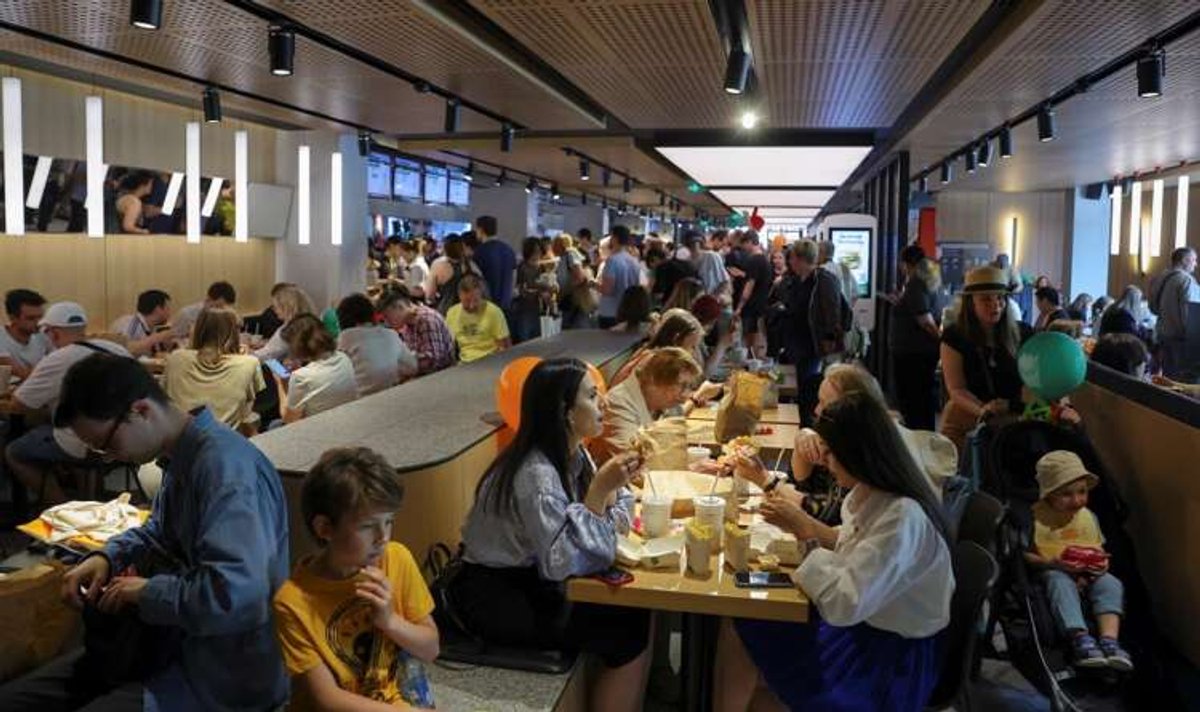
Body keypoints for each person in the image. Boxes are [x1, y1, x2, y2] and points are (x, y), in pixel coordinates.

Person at [0, 353, 290, 710]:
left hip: (218, 674)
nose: (108, 458)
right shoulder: (182, 456)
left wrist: (146, 592)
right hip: (163, 646)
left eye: (107, 445)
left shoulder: (226, 470)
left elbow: (236, 597)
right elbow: (159, 530)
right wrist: (107, 556)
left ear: (141, 410)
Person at [715, 392, 952, 712]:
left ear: (857, 454)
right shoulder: (870, 494)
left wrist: (804, 533)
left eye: (830, 453)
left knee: (747, 634)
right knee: (744, 621)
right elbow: (847, 546)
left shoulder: (902, 517)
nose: (825, 462)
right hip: (867, 625)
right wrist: (800, 526)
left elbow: (844, 603)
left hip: (888, 656)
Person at [454, 359, 651, 711]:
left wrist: (606, 496)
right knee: (627, 630)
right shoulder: (536, 473)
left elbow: (620, 515)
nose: (604, 403)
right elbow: (562, 562)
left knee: (636, 611)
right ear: (565, 412)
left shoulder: (575, 453)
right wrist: (599, 495)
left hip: (533, 579)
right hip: (494, 594)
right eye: (592, 396)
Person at [274, 446, 439, 709]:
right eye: (367, 526)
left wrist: (390, 621)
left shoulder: (396, 558)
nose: (383, 537)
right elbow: (327, 699)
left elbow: (431, 649)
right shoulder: (292, 601)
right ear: (325, 528)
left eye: (389, 521)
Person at [732, 364, 957, 525]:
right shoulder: (859, 436)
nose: (817, 410)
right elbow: (803, 484)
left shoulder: (869, 453)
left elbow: (829, 514)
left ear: (851, 408)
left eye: (824, 403)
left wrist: (766, 481)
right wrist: (802, 441)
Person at [3, 303, 130, 505]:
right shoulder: (118, 350)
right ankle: (91, 499)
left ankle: (64, 507)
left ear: (53, 333)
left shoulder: (58, 359)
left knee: (15, 452)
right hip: (126, 439)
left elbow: (18, 406)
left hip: (84, 443)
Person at [1026, 451, 1132, 671]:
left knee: (1111, 583)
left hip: (1088, 572)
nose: (1077, 500)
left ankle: (1110, 640)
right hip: (1053, 569)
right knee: (1059, 582)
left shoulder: (1088, 517)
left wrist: (1100, 566)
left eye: (1082, 492)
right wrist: (1052, 563)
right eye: (1066, 494)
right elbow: (1024, 555)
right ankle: (1080, 638)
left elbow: (1098, 548)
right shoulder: (1035, 519)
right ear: (1049, 495)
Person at [939, 265, 1032, 450]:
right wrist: (985, 411)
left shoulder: (1024, 333)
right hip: (967, 418)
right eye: (986, 299)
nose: (996, 305)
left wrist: (1011, 407)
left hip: (1015, 418)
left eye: (1000, 298)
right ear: (970, 303)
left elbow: (1034, 385)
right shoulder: (954, 336)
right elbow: (956, 388)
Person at [592, 347, 705, 466]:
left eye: (689, 386)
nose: (686, 396)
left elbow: (675, 441)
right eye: (682, 385)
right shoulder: (618, 404)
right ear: (654, 380)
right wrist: (690, 467)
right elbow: (633, 461)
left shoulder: (664, 402)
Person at [771, 240, 847, 409]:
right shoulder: (795, 279)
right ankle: (791, 414)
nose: (789, 261)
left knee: (807, 386)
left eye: (792, 258)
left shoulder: (824, 280)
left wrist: (829, 338)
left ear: (801, 259)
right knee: (785, 383)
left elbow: (832, 311)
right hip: (791, 343)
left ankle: (806, 418)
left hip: (810, 345)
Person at [162, 307, 264, 431]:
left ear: (198, 329)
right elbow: (245, 412)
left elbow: (165, 399)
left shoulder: (176, 358)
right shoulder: (249, 363)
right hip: (223, 438)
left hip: (181, 437)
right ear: (234, 333)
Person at [889, 245, 943, 430]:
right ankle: (924, 433)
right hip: (922, 351)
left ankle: (917, 435)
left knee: (912, 399)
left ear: (906, 264)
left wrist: (940, 339)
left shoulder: (915, 283)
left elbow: (924, 319)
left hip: (912, 352)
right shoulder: (927, 279)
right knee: (922, 397)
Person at [275, 314, 358, 423]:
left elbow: (289, 420)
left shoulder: (300, 377)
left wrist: (280, 383)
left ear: (297, 345)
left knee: (273, 424)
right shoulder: (344, 357)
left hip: (321, 427)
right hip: (349, 419)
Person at [336, 293, 418, 396]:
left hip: (360, 399)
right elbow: (412, 367)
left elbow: (336, 379)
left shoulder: (345, 338)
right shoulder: (391, 334)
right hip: (391, 395)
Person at [378, 288, 455, 375]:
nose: (387, 322)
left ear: (400, 307)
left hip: (443, 375)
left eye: (387, 316)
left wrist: (401, 365)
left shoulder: (426, 319)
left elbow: (433, 360)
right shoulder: (407, 325)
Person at [446, 274, 511, 363]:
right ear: (459, 297)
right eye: (467, 301)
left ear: (481, 294)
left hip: (491, 359)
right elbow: (449, 346)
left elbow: (505, 346)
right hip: (465, 362)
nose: (471, 306)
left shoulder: (493, 311)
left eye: (476, 300)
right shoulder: (452, 313)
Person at [733, 230, 773, 358]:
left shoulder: (754, 260)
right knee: (758, 337)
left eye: (744, 243)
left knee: (749, 340)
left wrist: (739, 307)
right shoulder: (765, 260)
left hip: (751, 306)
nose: (743, 248)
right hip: (761, 304)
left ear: (750, 242)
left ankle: (752, 364)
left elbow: (749, 286)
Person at [254, 283, 316, 362]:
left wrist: (247, 353)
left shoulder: (288, 330)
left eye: (275, 307)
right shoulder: (313, 323)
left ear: (287, 307)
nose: (274, 310)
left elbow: (264, 355)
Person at [598, 226, 644, 329]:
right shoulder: (634, 261)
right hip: (628, 311)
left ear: (615, 238)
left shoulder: (612, 261)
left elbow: (607, 290)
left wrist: (593, 284)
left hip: (610, 312)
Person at [425, 234, 483, 314]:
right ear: (462, 247)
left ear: (445, 248)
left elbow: (429, 295)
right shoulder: (471, 265)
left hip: (446, 312)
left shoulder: (438, 265)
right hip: (469, 311)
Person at [0, 288, 51, 380]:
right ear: (13, 318)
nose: (38, 322)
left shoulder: (44, 334)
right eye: (31, 318)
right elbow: (22, 374)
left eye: (40, 317)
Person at [471, 215, 517, 312]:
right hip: (506, 305)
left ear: (480, 230)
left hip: (487, 306)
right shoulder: (509, 250)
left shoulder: (479, 252)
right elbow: (513, 277)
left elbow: (477, 279)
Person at [111, 289, 175, 357]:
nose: (170, 313)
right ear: (158, 309)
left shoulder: (153, 327)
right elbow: (126, 350)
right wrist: (159, 337)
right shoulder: (131, 323)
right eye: (168, 308)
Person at [171, 280, 237, 340]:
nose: (222, 312)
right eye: (219, 307)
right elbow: (174, 339)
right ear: (208, 300)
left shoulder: (228, 315)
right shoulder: (187, 314)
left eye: (226, 308)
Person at [513, 237, 551, 342]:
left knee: (537, 340)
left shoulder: (542, 267)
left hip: (539, 310)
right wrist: (539, 293)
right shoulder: (522, 268)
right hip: (524, 310)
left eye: (539, 251)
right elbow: (520, 290)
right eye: (535, 251)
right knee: (525, 340)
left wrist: (549, 289)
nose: (538, 254)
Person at [552, 233, 591, 329]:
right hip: (566, 300)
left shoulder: (570, 255)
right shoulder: (561, 258)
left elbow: (579, 277)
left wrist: (564, 291)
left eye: (555, 244)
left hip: (573, 300)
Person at [651, 245, 698, 309]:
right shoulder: (691, 266)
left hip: (671, 305)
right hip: (691, 303)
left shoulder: (662, 267)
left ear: (655, 259)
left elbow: (659, 294)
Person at [688, 230, 731, 300]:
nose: (722, 247)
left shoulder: (712, 255)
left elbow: (724, 281)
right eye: (723, 244)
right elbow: (725, 281)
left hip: (703, 298)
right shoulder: (712, 255)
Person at [818, 240, 857, 308]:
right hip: (843, 311)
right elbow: (855, 294)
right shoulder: (844, 269)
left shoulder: (820, 271)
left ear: (821, 253)